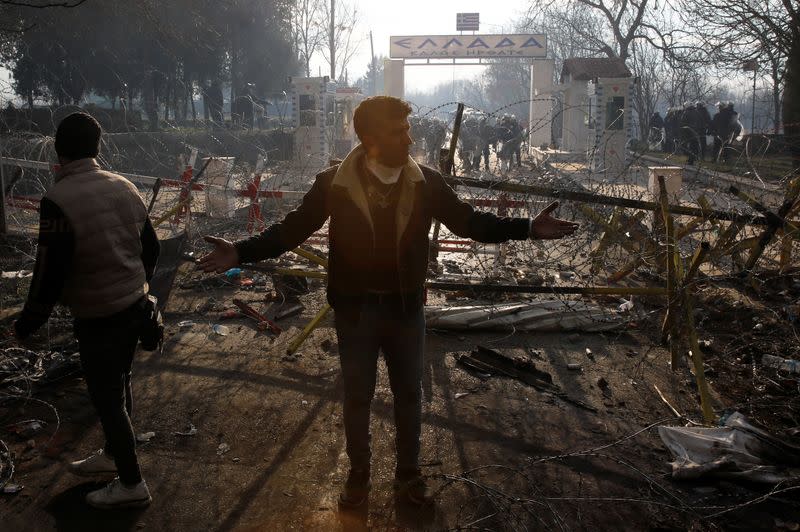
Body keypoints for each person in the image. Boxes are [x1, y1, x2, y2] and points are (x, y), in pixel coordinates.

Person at [198, 96, 578, 508]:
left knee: (409, 395)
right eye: (399, 132)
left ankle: (408, 478)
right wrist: (240, 252)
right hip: (355, 310)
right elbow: (291, 230)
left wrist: (526, 227)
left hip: (405, 310)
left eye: (407, 129)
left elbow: (471, 222)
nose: (409, 138)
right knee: (358, 395)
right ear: (369, 138)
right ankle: (358, 475)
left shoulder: (426, 183)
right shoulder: (333, 184)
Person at [14, 112, 159, 509]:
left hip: (99, 315)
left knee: (107, 398)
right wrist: (135, 284)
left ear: (59, 152)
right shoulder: (125, 186)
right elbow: (152, 249)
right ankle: (114, 456)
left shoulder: (59, 200)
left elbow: (48, 273)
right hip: (133, 305)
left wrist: (27, 323)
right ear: (98, 147)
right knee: (121, 380)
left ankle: (132, 484)